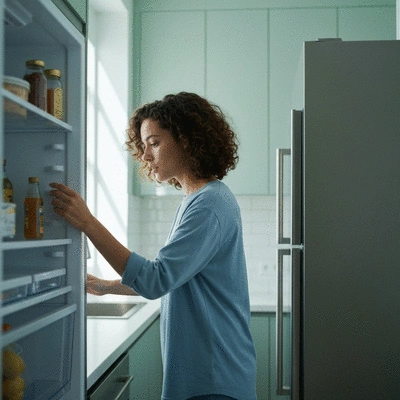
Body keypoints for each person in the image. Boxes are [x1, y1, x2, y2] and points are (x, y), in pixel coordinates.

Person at [50, 92, 257, 400]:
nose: (145, 156)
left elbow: (155, 279)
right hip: (209, 375)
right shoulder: (196, 200)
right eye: (144, 145)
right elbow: (173, 279)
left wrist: (88, 223)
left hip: (214, 379)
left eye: (155, 142)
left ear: (187, 140)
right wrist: (106, 286)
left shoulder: (209, 203)